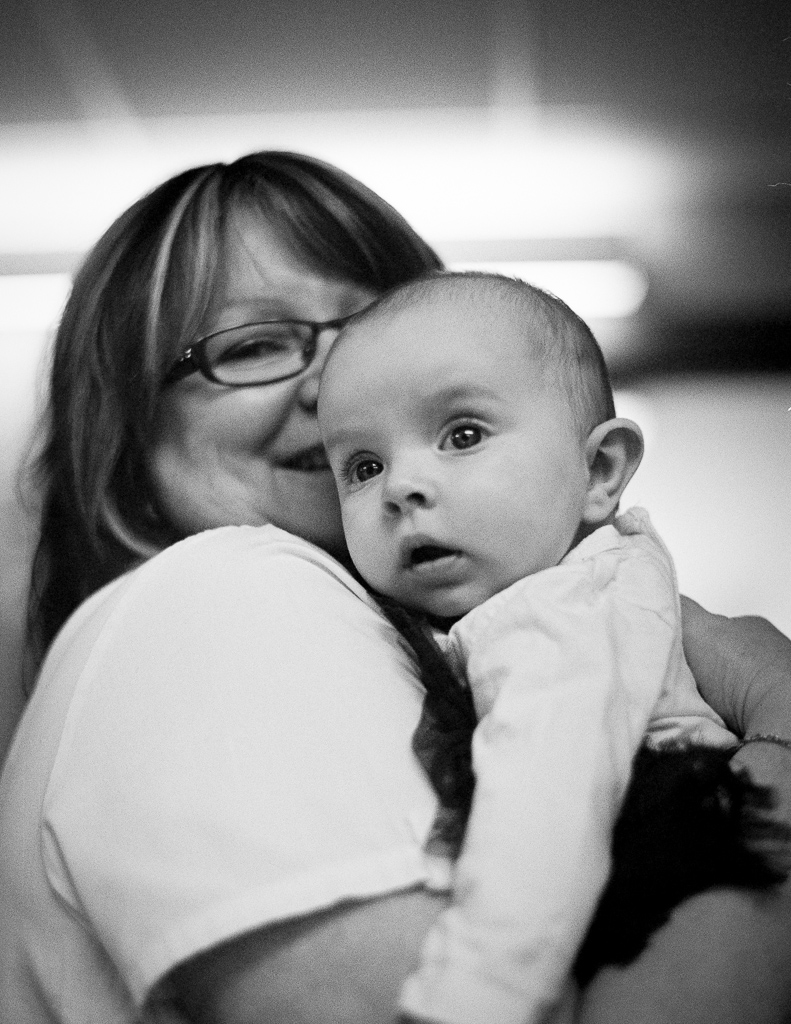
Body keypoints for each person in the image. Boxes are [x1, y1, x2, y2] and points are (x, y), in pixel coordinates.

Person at [0, 152, 790, 1024]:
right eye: (255, 344)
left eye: (373, 322)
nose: (333, 384)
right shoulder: (224, 593)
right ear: (123, 442)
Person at [317, 270, 790, 1024]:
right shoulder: (594, 584)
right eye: (363, 466)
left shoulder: (552, 614)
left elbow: (543, 809)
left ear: (598, 472)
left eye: (462, 435)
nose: (400, 485)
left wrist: (472, 1000)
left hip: (646, 864)